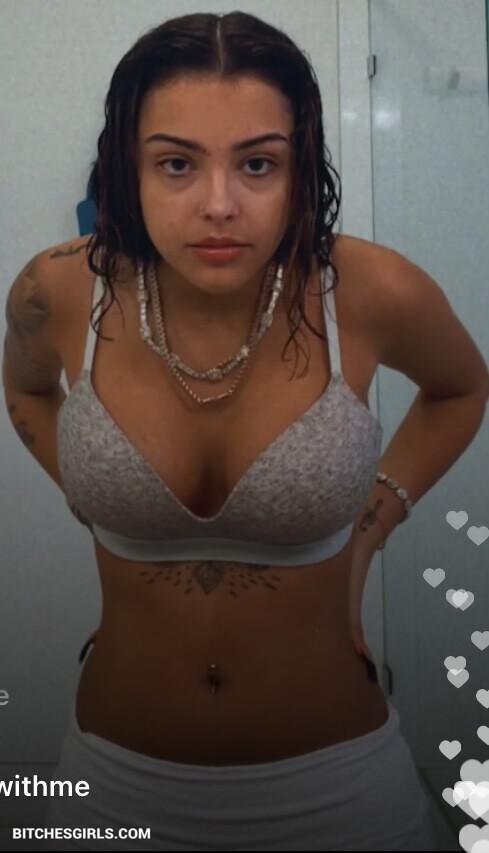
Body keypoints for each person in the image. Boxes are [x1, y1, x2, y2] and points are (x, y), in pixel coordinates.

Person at [5, 10, 488, 851]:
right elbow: (24, 386)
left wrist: (368, 529)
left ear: (300, 168)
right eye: (177, 163)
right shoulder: (59, 289)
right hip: (113, 784)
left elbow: (460, 388)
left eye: (258, 163)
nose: (219, 204)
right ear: (127, 167)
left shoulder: (370, 289)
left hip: (342, 787)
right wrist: (88, 490)